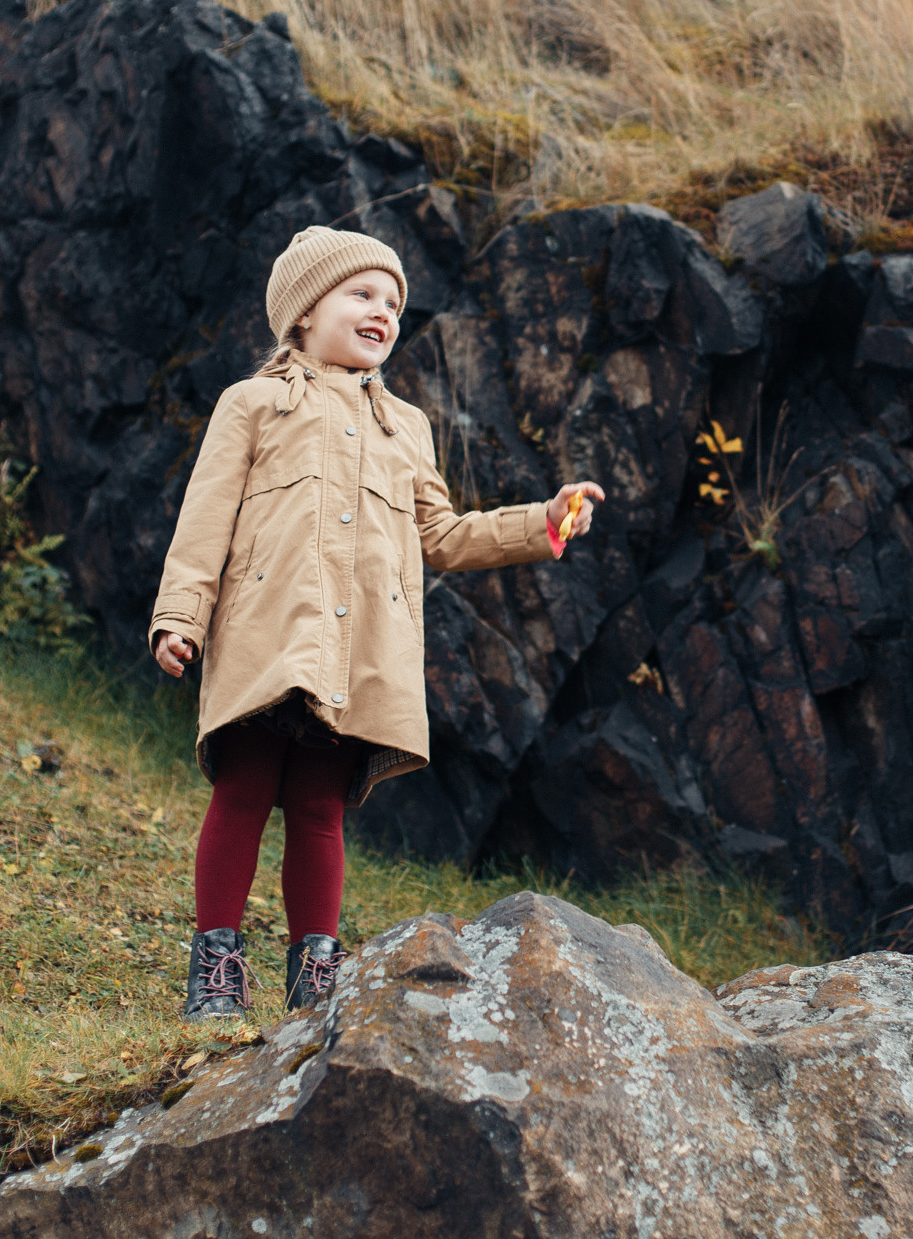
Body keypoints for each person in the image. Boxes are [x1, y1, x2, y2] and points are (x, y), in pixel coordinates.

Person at [148, 226, 604, 1019]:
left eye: (393, 303)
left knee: (323, 809)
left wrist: (544, 523)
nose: (382, 312)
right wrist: (180, 617)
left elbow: (444, 536)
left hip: (361, 653)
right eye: (361, 294)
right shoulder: (253, 403)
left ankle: (313, 987)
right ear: (301, 314)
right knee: (245, 791)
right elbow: (204, 523)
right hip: (269, 636)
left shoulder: (407, 428)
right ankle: (216, 976)